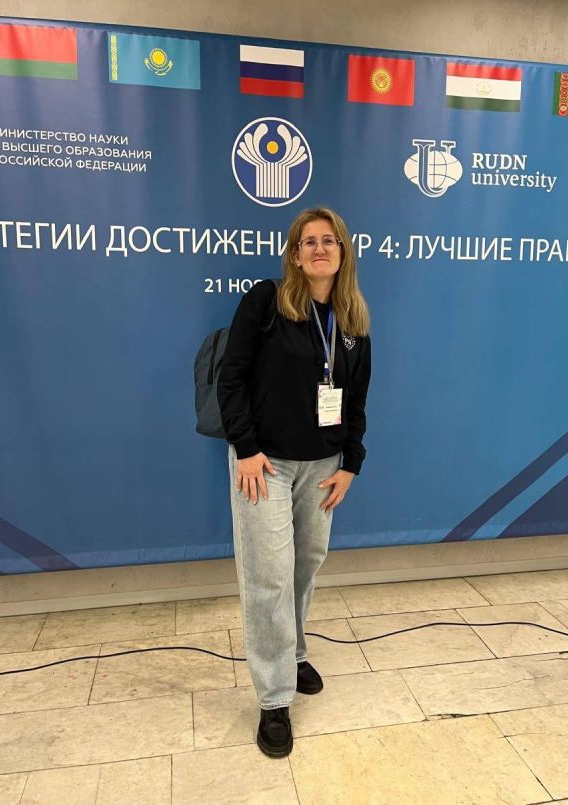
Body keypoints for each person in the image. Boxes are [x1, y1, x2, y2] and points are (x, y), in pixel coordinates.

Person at [217, 207, 371, 758]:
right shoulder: (266, 302)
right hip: (265, 464)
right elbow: (231, 378)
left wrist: (351, 464)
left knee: (306, 565)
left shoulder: (352, 321)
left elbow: (356, 400)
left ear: (343, 252)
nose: (320, 248)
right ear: (295, 255)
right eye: (309, 241)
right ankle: (274, 698)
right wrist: (246, 448)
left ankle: (295, 651)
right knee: (269, 576)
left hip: (323, 467)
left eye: (329, 240)